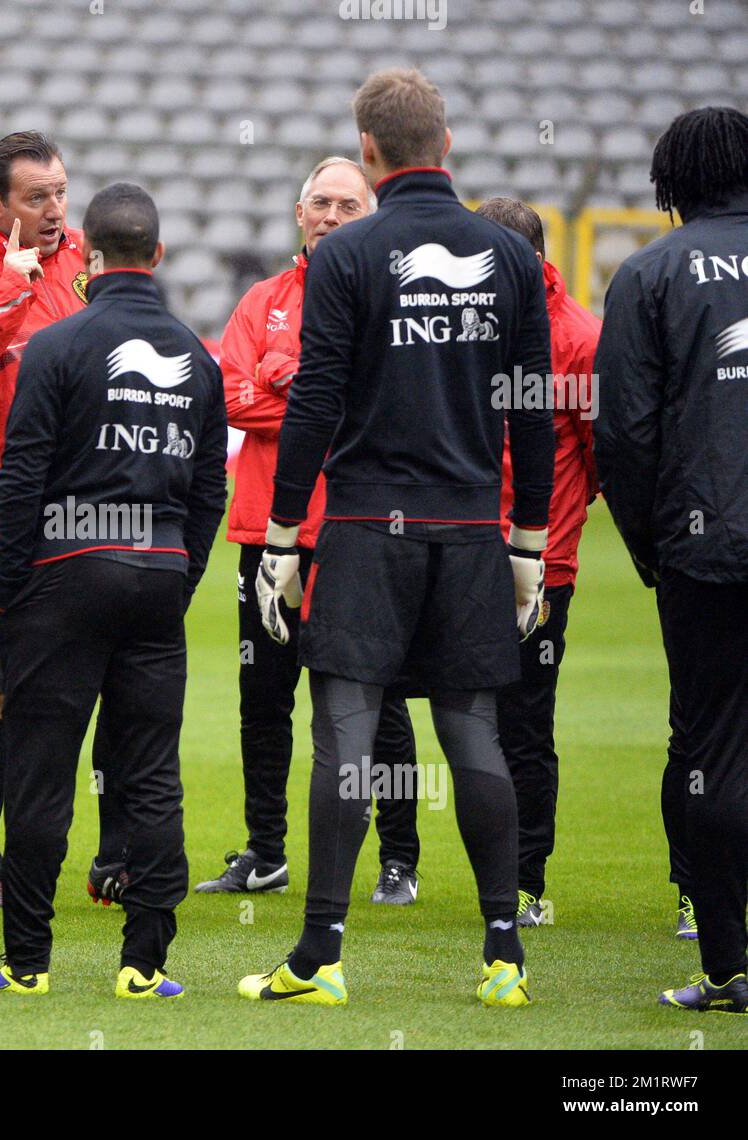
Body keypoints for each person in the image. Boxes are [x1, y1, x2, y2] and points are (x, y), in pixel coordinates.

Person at [241, 68, 555, 1007]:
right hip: (471, 531)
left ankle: (318, 959)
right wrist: (529, 543)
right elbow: (532, 414)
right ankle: (505, 958)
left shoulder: (343, 257)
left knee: (345, 737)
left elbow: (314, 406)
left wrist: (282, 536)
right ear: (446, 144)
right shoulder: (509, 257)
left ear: (368, 154)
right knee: (472, 735)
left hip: (369, 529)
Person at [0, 181, 227, 998]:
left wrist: (10, 588)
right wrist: (180, 572)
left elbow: (19, 481)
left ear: (88, 258)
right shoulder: (197, 357)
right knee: (151, 773)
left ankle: (27, 966)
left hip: (64, 570)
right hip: (156, 573)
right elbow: (209, 489)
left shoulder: (57, 345)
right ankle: (143, 965)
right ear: (156, 256)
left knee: (42, 771)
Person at [204, 155, 422, 903]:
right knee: (264, 703)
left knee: (376, 698)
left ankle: (400, 857)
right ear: (300, 214)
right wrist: (310, 400)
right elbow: (228, 395)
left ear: (371, 216)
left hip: (359, 530)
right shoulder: (260, 298)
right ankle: (266, 852)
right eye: (320, 203)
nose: (331, 216)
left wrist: (284, 379)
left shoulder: (393, 302)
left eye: (347, 205)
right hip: (265, 533)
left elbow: (381, 404)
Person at [0, 131, 125, 909]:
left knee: (103, 683)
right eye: (36, 197)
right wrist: (9, 295)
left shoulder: (86, 258)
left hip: (83, 515)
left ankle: (110, 854)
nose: (55, 211)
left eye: (60, 192)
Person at [594, 106, 748, 1014]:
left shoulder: (650, 272)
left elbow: (625, 434)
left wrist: (658, 551)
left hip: (707, 547)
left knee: (709, 747)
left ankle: (727, 963)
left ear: (673, 182)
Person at [474, 197, 601, 928]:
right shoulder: (467, 326)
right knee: (461, 718)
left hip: (541, 564)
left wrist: (556, 528)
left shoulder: (579, 338)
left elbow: (600, 450)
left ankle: (524, 883)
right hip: (458, 549)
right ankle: (406, 863)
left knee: (524, 725)